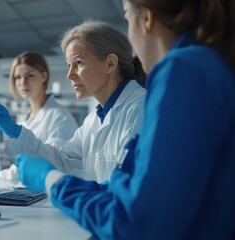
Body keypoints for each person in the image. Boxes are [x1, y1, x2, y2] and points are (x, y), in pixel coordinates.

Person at [16, 0, 235, 239]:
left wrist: (52, 181)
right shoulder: (205, 65)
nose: (70, 75)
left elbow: (136, 220)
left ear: (147, 19)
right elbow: (139, 188)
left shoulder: (183, 70)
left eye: (128, 17)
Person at [0, 20, 147, 184]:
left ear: (110, 63)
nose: (69, 75)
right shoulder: (93, 120)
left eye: (78, 63)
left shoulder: (141, 108)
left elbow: (128, 187)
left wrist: (60, 187)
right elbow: (62, 162)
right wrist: (16, 132)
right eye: (69, 65)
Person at [0, 52, 78, 187]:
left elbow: (54, 165)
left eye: (30, 76)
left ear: (44, 76)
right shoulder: (25, 118)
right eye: (17, 77)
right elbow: (23, 163)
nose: (22, 83)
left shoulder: (59, 116)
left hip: (51, 194)